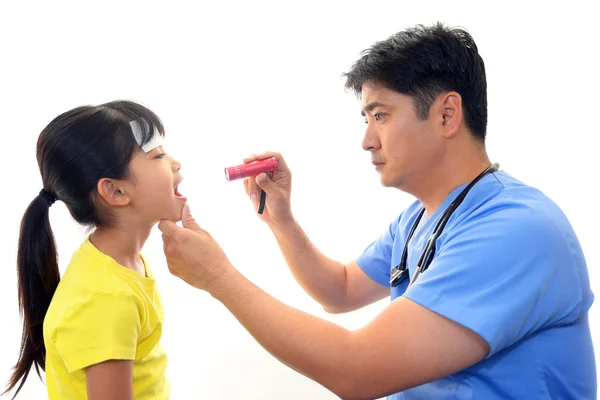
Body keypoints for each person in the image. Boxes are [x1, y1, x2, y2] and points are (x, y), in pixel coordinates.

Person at [158, 23, 596, 399]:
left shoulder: (516, 231)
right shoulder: (422, 218)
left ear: (447, 114)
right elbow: (341, 290)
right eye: (365, 120)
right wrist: (282, 221)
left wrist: (219, 278)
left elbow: (358, 372)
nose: (367, 140)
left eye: (380, 116)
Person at [4, 101, 184, 399]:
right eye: (159, 156)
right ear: (115, 191)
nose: (176, 163)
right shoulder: (108, 298)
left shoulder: (117, 264)